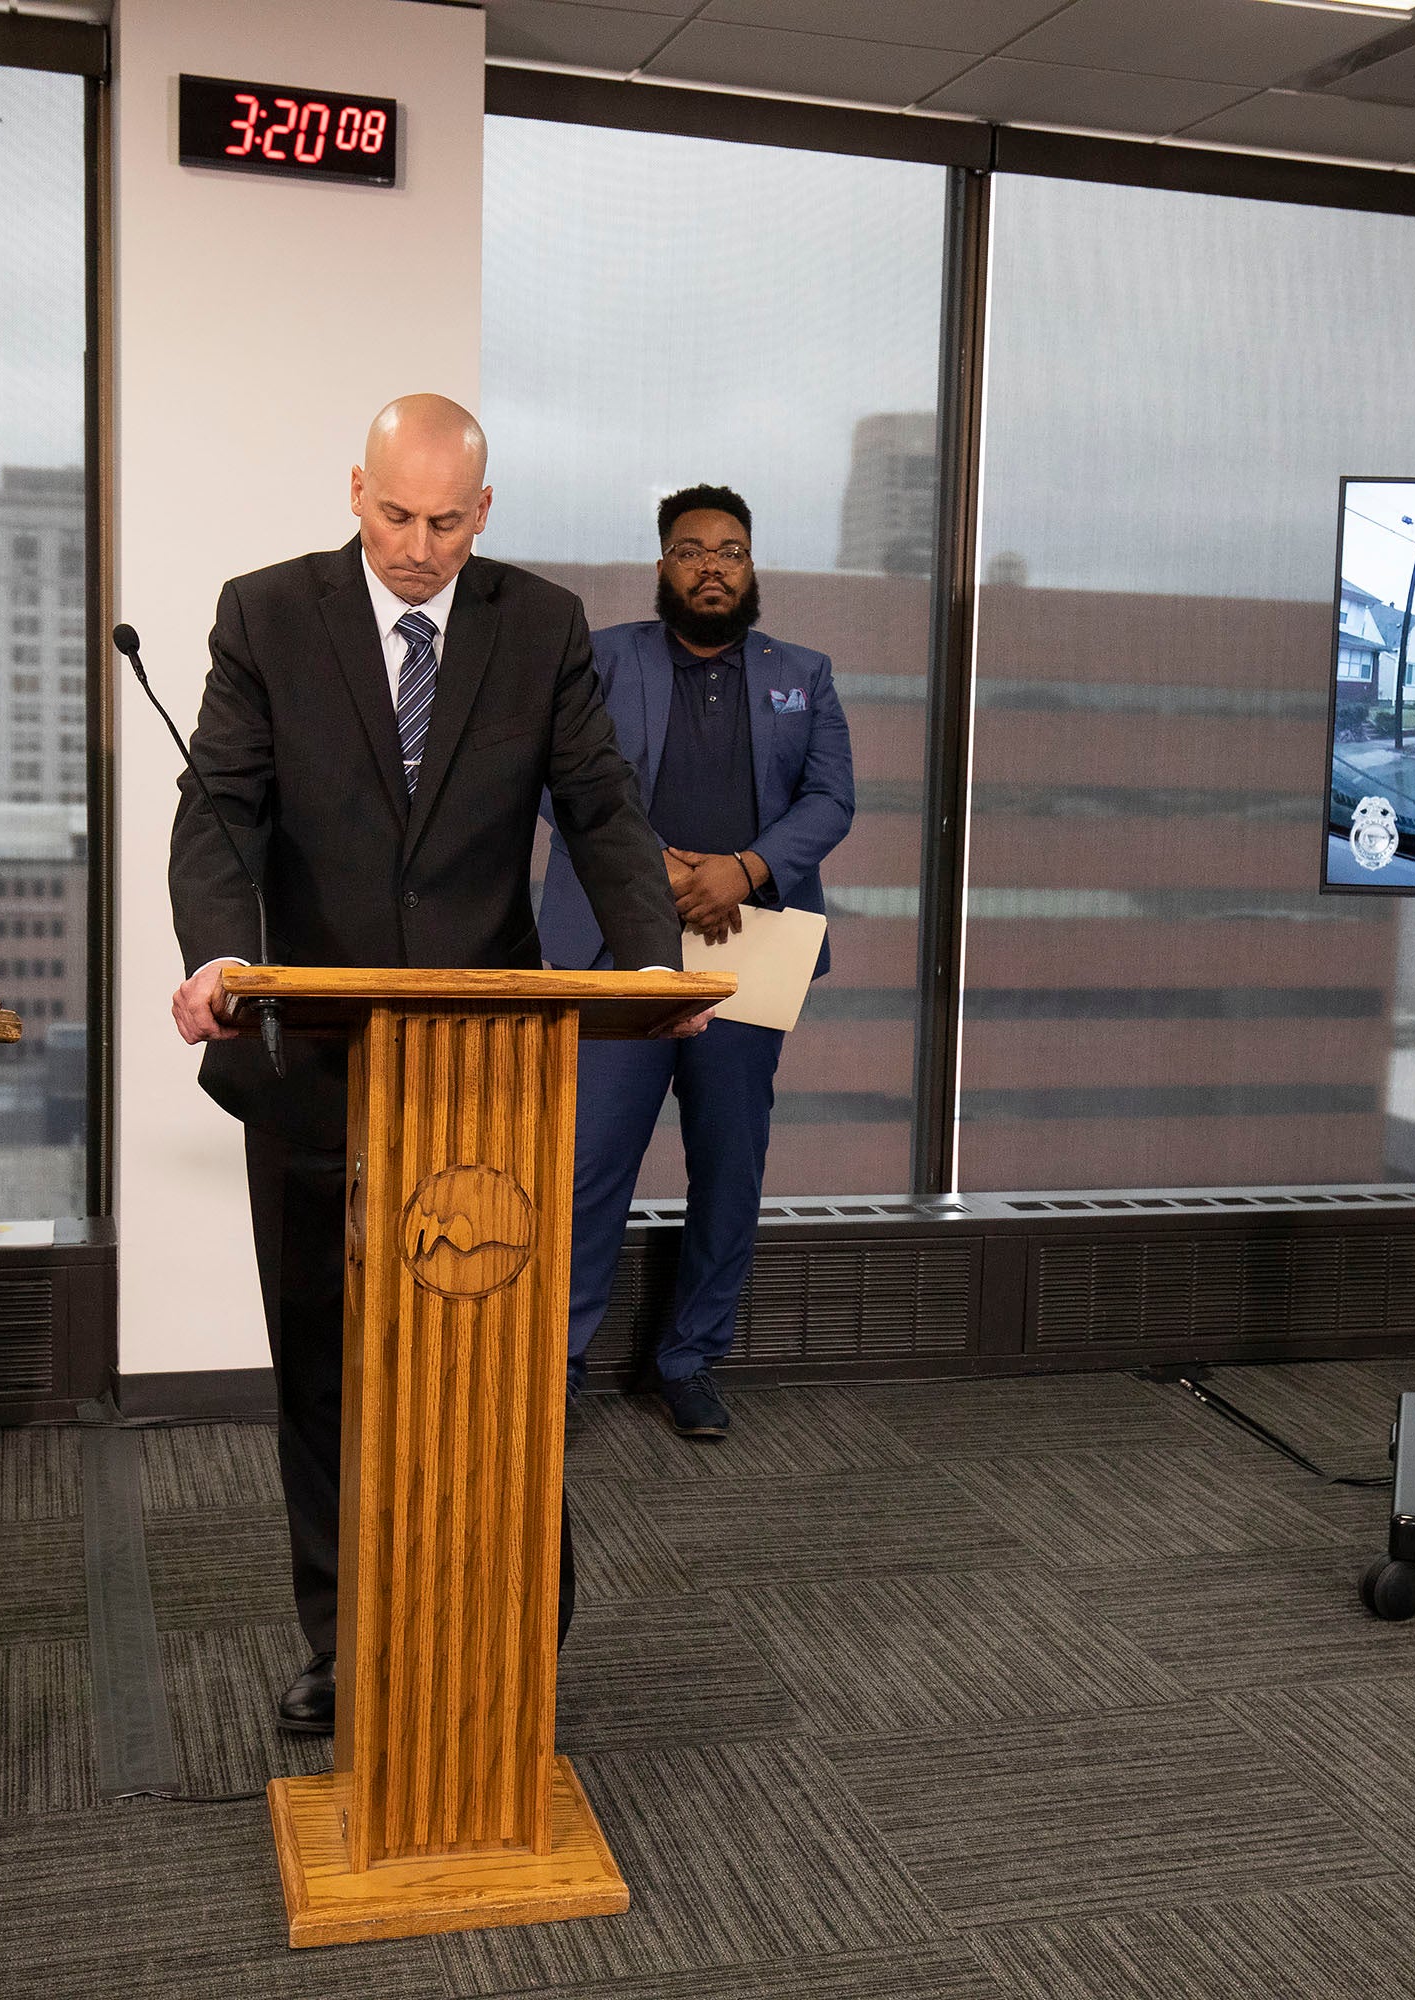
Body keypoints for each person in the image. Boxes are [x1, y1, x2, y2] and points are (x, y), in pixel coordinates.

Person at [167, 394, 701, 1735]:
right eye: (394, 515)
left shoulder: (538, 627)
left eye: (445, 522)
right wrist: (223, 960)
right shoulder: (268, 615)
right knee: (325, 1370)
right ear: (355, 490)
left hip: (481, 1070)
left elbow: (599, 806)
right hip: (310, 1056)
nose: (416, 546)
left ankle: (506, 1620)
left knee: (486, 1355)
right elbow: (218, 811)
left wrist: (647, 963)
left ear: (484, 514)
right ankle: (344, 1641)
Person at [542, 484, 853, 1441]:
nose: (711, 565)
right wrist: (664, 867)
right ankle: (557, 1370)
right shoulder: (601, 657)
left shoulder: (804, 670)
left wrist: (745, 869)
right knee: (592, 1163)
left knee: (730, 1164)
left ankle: (691, 1358)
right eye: (690, 550)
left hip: (750, 948)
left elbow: (831, 799)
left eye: (730, 550)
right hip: (618, 946)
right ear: (664, 563)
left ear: (752, 566)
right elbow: (555, 781)